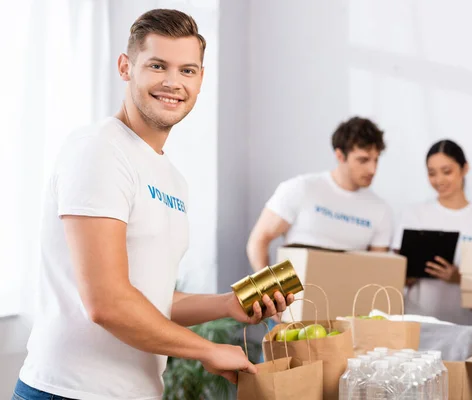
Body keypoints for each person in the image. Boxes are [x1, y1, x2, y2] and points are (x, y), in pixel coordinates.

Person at [13, 9, 292, 400]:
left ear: (200, 79)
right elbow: (108, 303)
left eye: (188, 71)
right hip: (70, 393)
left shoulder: (171, 177)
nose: (173, 83)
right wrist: (208, 351)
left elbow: (148, 295)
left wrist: (227, 304)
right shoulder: (100, 151)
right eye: (158, 65)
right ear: (126, 67)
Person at [247, 116, 394, 272]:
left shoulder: (380, 209)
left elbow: (377, 270)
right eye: (363, 160)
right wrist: (268, 289)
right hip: (296, 294)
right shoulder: (301, 189)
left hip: (347, 294)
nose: (372, 169)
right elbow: (259, 240)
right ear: (340, 155)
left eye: (376, 160)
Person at [392, 139, 472, 326]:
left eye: (446, 172)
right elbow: (393, 275)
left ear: (464, 169)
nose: (439, 180)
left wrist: (458, 278)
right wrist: (407, 273)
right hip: (415, 322)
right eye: (432, 173)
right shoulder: (413, 214)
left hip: (462, 326)